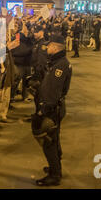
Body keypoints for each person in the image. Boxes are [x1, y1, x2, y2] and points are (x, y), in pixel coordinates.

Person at [34, 34, 72, 186]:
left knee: (49, 141)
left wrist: (44, 110)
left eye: (49, 46)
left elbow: (53, 91)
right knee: (54, 139)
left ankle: (54, 174)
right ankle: (55, 167)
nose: (47, 48)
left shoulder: (60, 66)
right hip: (54, 107)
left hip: (52, 109)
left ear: (56, 47)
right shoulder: (58, 62)